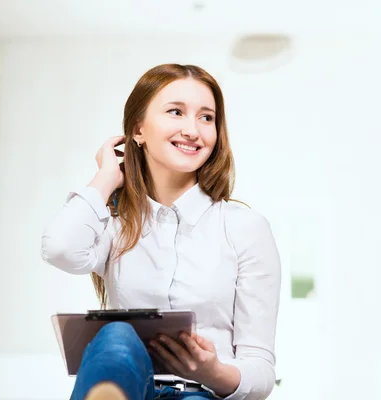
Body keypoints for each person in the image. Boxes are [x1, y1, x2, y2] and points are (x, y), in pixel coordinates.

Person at [40, 64, 282, 400]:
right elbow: (61, 249)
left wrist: (212, 371)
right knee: (116, 335)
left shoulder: (245, 227)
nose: (193, 130)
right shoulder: (115, 223)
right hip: (130, 389)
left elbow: (260, 370)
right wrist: (107, 177)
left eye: (206, 117)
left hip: (202, 393)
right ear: (137, 130)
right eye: (176, 112)